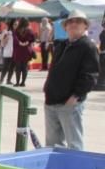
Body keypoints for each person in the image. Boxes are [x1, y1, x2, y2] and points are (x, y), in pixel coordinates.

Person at [42, 9, 100, 151]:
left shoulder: (88, 46)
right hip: (52, 101)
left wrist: (76, 96)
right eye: (71, 22)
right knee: (52, 146)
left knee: (74, 145)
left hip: (69, 102)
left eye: (78, 21)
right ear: (66, 26)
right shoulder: (61, 45)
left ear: (85, 26)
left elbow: (90, 75)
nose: (74, 24)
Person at [12, 17, 35, 87]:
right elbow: (32, 39)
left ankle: (17, 82)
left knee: (18, 67)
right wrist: (26, 42)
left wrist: (20, 43)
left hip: (18, 51)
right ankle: (23, 82)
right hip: (26, 50)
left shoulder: (16, 30)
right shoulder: (30, 30)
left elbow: (15, 39)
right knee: (25, 67)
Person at [0, 20, 15, 85]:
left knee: (12, 67)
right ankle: (1, 80)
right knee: (5, 67)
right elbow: (1, 40)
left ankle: (8, 80)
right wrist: (5, 39)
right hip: (7, 52)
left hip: (13, 52)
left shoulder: (14, 32)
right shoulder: (6, 32)